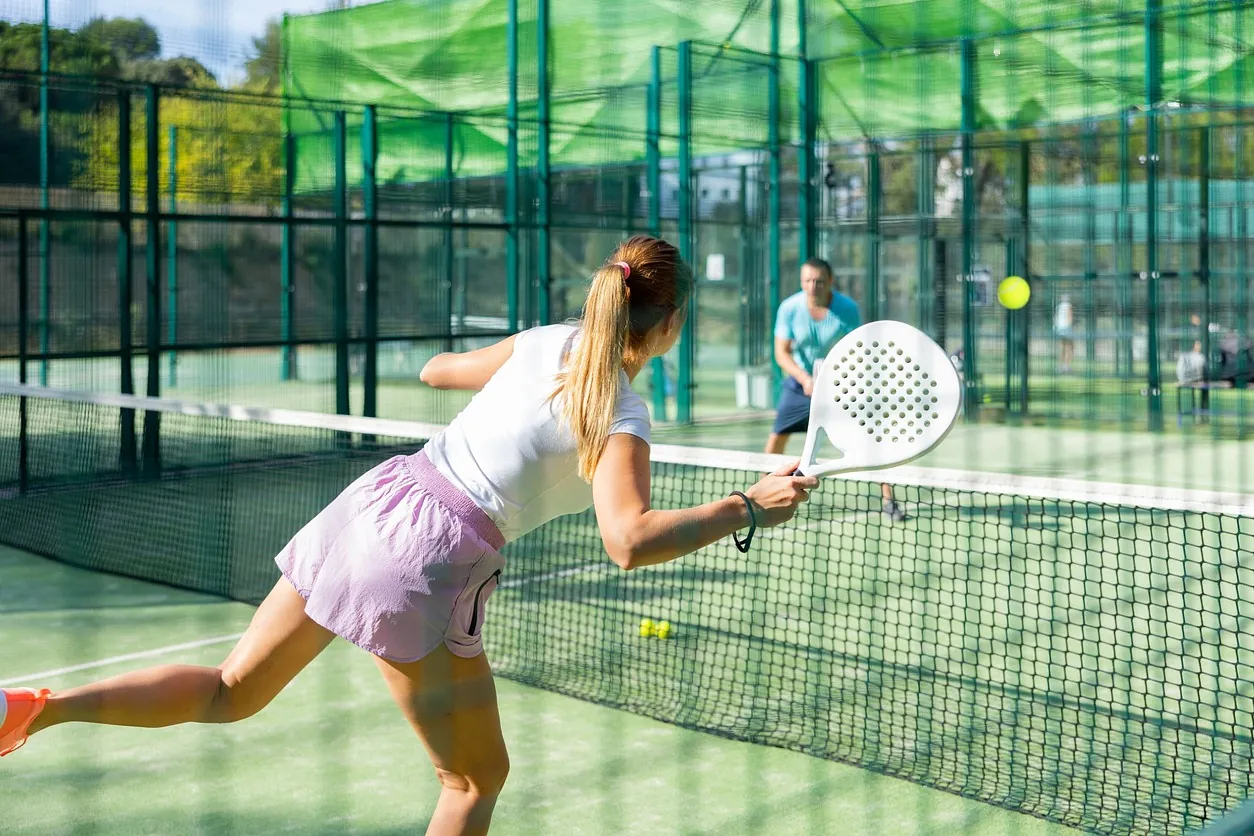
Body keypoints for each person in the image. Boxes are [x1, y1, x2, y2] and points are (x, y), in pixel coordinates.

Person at [0, 236, 817, 835]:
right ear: (668, 326)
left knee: (231, 689)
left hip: (377, 500)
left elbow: (434, 372)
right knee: (473, 780)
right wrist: (746, 505)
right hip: (428, 560)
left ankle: (30, 709)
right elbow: (629, 539)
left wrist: (498, 381)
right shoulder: (620, 415)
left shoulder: (543, 344)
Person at [765, 257, 905, 524]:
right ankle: (759, 493)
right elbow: (781, 353)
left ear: (830, 282)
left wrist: (839, 380)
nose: (812, 286)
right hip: (799, 384)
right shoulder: (790, 308)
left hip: (841, 384)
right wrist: (805, 379)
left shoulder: (847, 308)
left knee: (869, 437)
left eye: (818, 281)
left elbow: (857, 349)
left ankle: (889, 499)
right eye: (807, 281)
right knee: (777, 436)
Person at [1055, 294, 1075, 373]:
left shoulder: (1059, 306)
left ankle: (1060, 366)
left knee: (1062, 347)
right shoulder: (1068, 305)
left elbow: (1055, 318)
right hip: (1066, 328)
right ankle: (1066, 366)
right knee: (1069, 347)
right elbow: (1070, 317)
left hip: (1059, 329)